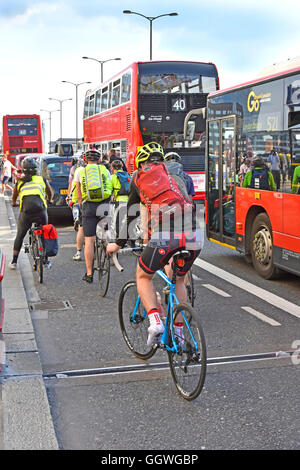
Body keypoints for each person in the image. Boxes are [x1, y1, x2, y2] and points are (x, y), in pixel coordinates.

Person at [107, 142, 201, 346]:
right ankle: (178, 333)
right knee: (179, 279)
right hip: (194, 234)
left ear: (140, 163)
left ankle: (156, 322)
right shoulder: (176, 176)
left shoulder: (139, 177)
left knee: (143, 276)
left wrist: (118, 243)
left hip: (166, 235)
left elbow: (130, 215)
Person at [74, 149, 112, 283]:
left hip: (88, 206)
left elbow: (78, 193)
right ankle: (110, 255)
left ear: (85, 159)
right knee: (106, 232)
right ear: (99, 160)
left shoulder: (80, 171)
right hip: (104, 205)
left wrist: (81, 205)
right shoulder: (105, 170)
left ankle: (89, 273)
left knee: (89, 240)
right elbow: (110, 188)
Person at [9, 157, 52, 269]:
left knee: (20, 235)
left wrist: (14, 203)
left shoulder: (19, 182)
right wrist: (49, 200)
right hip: (41, 211)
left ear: (23, 170)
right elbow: (49, 193)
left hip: (26, 213)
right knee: (44, 233)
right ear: (36, 169)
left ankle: (14, 262)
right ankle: (46, 260)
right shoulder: (42, 179)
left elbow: (14, 198)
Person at [67, 156, 84, 261]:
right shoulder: (94, 171)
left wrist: (69, 197)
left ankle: (78, 252)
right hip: (94, 202)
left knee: (81, 228)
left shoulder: (76, 172)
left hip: (78, 202)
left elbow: (73, 187)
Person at [110, 159, 131, 238]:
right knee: (128, 221)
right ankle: (131, 239)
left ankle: (120, 240)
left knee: (118, 222)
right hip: (129, 201)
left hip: (119, 201)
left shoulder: (113, 177)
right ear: (122, 167)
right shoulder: (128, 175)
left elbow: (109, 191)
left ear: (112, 168)